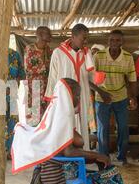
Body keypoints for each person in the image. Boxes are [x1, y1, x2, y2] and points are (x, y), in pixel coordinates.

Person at [12, 79, 131, 184]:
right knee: (112, 171)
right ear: (69, 95)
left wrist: (84, 146)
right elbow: (69, 152)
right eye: (77, 95)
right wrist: (96, 155)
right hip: (64, 168)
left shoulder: (55, 110)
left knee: (100, 161)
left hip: (51, 162)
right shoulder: (65, 116)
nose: (79, 99)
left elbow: (75, 141)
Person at [45, 23, 111, 151]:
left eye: (87, 39)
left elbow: (90, 75)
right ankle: (67, 157)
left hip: (82, 96)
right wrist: (50, 100)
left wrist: (100, 80)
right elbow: (52, 78)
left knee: (81, 124)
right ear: (73, 37)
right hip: (64, 97)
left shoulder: (86, 53)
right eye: (83, 38)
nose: (86, 41)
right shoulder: (58, 53)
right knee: (65, 125)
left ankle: (82, 156)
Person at [94, 30, 138, 165]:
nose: (114, 43)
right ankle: (104, 158)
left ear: (122, 42)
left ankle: (121, 157)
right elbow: (92, 78)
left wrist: (132, 97)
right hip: (102, 97)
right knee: (103, 129)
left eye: (118, 40)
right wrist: (100, 93)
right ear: (108, 41)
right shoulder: (99, 56)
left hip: (121, 97)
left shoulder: (127, 57)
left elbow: (132, 79)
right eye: (112, 40)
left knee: (123, 128)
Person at [23, 26, 53, 126]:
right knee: (34, 119)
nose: (50, 35)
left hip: (46, 88)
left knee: (46, 119)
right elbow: (29, 69)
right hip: (34, 88)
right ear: (39, 35)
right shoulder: (30, 49)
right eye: (47, 33)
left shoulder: (49, 50)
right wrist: (46, 68)